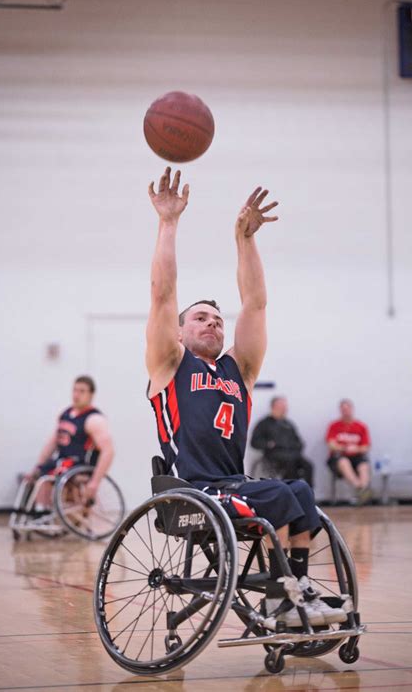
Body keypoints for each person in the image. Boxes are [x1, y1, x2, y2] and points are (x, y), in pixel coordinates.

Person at [146, 166, 346, 629]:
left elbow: (255, 304)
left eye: (217, 318)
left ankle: (293, 595)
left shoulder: (240, 369)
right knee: (279, 491)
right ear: (179, 331)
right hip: (193, 491)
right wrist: (169, 223)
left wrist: (245, 239)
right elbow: (161, 294)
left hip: (232, 484)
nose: (212, 323)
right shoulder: (169, 365)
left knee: (298, 489)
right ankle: (288, 599)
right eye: (200, 317)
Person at [26, 376, 115, 505]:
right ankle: (41, 512)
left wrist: (95, 482)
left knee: (54, 477)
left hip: (79, 464)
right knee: (39, 474)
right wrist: (37, 466)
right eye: (75, 390)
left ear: (91, 394)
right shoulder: (66, 414)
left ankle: (66, 514)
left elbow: (109, 451)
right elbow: (52, 443)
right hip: (62, 462)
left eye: (82, 391)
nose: (76, 394)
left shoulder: (94, 419)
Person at [250, 396, 314, 486]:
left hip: (293, 454)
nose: (285, 410)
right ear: (274, 407)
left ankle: (308, 493)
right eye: (282, 407)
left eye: (285, 408)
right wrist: (269, 444)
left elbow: (299, 442)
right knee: (290, 464)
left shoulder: (288, 424)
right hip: (274, 455)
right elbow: (254, 442)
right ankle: (289, 492)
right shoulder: (264, 424)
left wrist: (296, 447)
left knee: (308, 466)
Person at [326, 399, 372, 505]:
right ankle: (360, 489)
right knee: (344, 462)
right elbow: (331, 444)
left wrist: (356, 449)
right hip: (339, 457)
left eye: (347, 409)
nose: (345, 412)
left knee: (364, 465)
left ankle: (362, 491)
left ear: (352, 409)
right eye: (343, 409)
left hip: (356, 456)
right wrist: (344, 448)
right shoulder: (334, 426)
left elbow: (366, 446)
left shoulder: (361, 426)